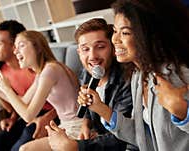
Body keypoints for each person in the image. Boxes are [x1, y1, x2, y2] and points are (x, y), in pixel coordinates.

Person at [60, 1, 189, 151]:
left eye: (125, 32)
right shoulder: (139, 76)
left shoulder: (178, 76)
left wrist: (183, 112)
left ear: (149, 35)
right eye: (115, 31)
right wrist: (102, 109)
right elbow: (141, 137)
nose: (115, 39)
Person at [45, 18, 137, 151]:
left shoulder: (127, 79)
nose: (92, 56)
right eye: (85, 49)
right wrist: (85, 125)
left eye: (100, 47)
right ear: (79, 53)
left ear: (113, 48)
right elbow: (87, 106)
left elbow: (125, 136)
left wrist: (78, 146)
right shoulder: (88, 72)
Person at [0, 30, 83, 151]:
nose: (15, 51)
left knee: (24, 149)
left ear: (37, 47)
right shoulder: (42, 73)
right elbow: (24, 101)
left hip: (77, 127)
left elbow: (28, 115)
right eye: (15, 47)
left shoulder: (50, 71)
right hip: (65, 126)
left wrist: (7, 89)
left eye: (21, 45)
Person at [0, 20, 57, 151]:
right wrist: (13, 117)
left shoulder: (35, 67)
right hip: (26, 113)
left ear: (15, 46)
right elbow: (17, 102)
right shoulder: (2, 70)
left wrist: (47, 117)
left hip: (50, 112)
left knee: (17, 148)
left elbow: (64, 98)